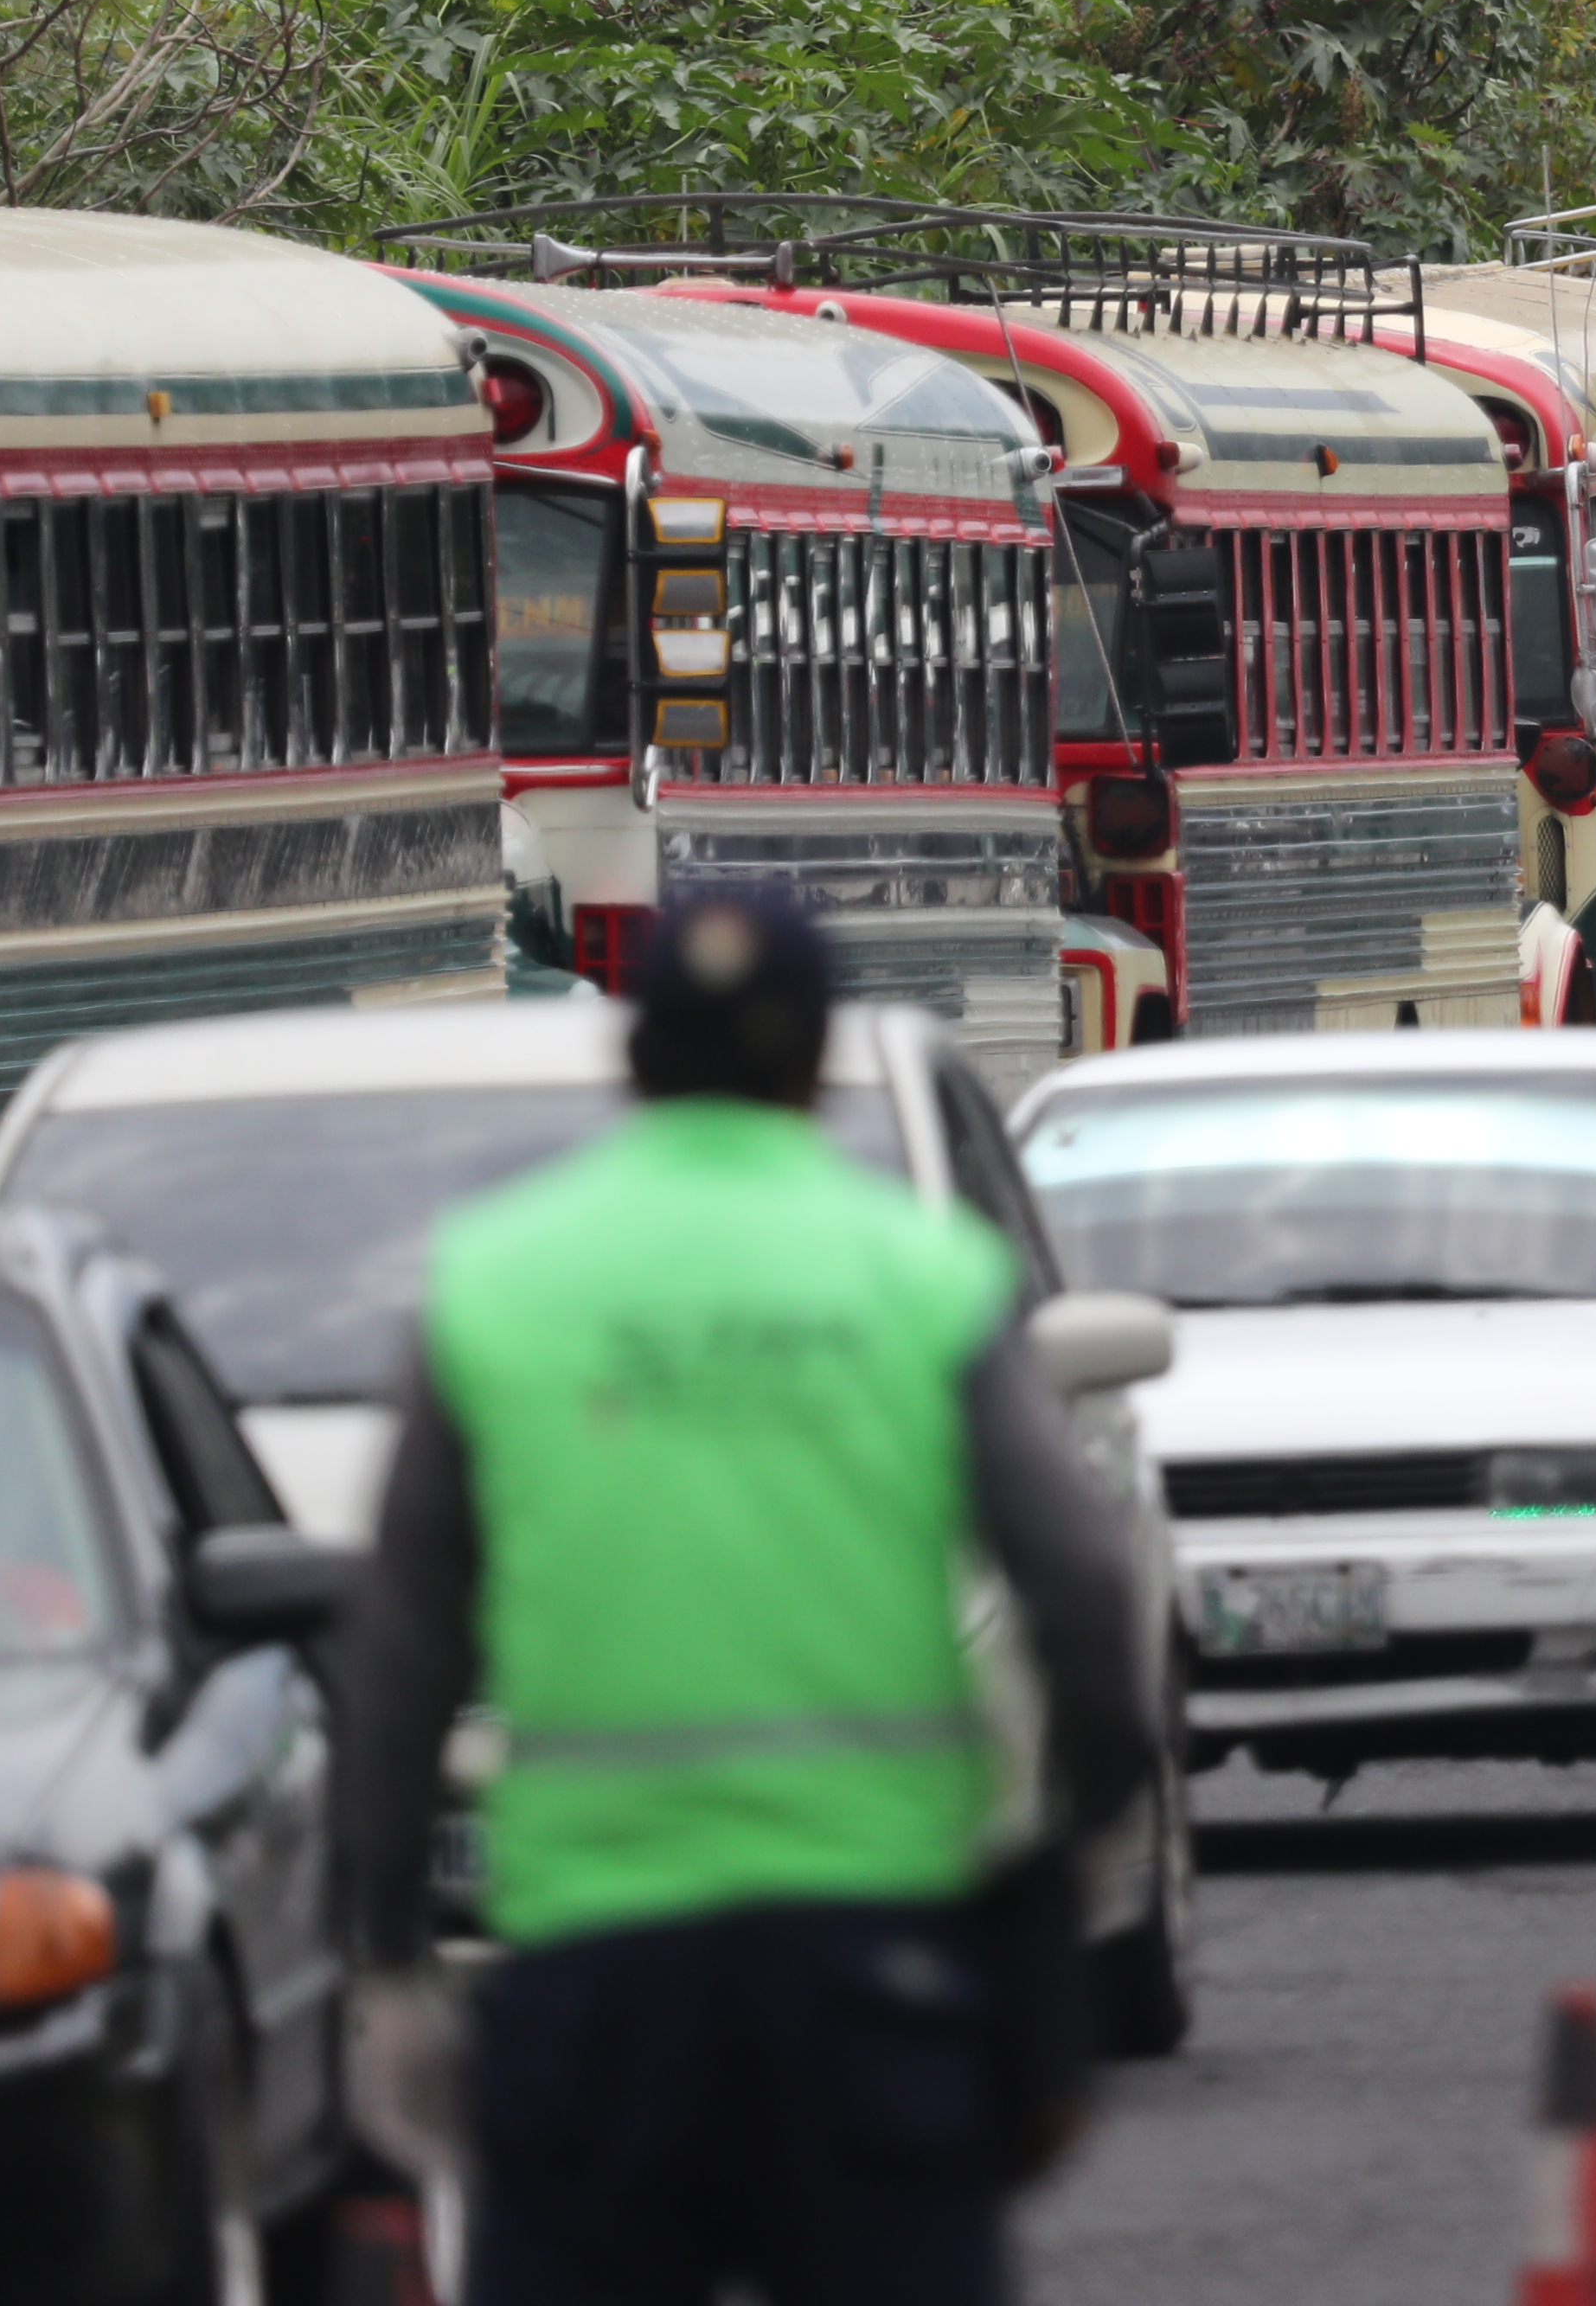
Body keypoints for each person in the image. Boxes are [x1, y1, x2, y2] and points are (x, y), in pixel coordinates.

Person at [339, 897, 1151, 2306]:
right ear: (813, 1065)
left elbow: (402, 1655)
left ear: (635, 1059)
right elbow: (1079, 1584)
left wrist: (386, 1952)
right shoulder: (918, 1273)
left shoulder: (495, 1282)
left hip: (598, 1981)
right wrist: (1075, 1838)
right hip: (868, 1969)